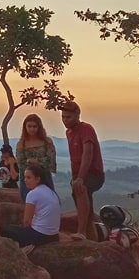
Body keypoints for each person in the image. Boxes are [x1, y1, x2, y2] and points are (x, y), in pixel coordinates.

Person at [61, 101, 105, 241]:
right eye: (63, 117)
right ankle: (93, 242)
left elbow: (88, 154)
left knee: (81, 188)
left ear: (77, 115)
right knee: (88, 213)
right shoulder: (69, 132)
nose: (65, 120)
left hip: (93, 174)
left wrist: (80, 178)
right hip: (78, 176)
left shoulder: (86, 129)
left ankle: (81, 232)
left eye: (68, 117)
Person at [0, 164, 61, 253]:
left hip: (40, 236)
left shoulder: (33, 194)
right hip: (54, 236)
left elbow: (26, 222)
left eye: (29, 178)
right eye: (25, 177)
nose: (25, 180)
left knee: (4, 229)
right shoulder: (50, 191)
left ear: (37, 179)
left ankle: (24, 248)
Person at [16, 114, 57, 201]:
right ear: (25, 127)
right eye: (29, 126)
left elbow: (51, 161)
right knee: (30, 204)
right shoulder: (21, 144)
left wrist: (35, 161)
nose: (32, 129)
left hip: (45, 178)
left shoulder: (47, 141)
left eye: (34, 126)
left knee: (49, 202)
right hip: (28, 181)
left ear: (39, 127)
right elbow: (21, 164)